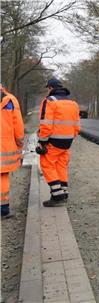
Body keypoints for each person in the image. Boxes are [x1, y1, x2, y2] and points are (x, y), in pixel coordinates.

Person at [37, 79, 80, 207]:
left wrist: (42, 142)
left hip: (53, 141)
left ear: (50, 88)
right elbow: (77, 125)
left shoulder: (49, 102)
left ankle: (57, 196)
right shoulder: (73, 103)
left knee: (47, 164)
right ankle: (64, 193)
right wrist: (70, 137)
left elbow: (46, 124)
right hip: (68, 141)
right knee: (61, 166)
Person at [0, 85, 25, 218]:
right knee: (2, 176)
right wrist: (20, 141)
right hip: (4, 146)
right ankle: (3, 209)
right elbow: (18, 124)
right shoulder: (10, 100)